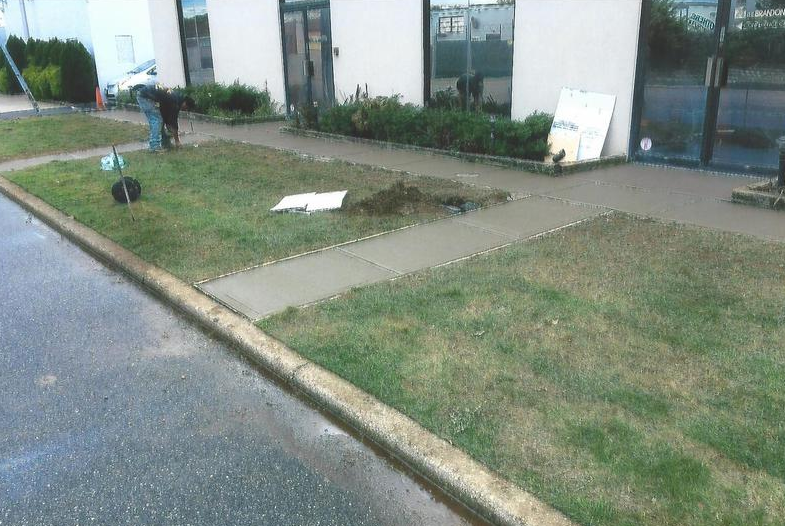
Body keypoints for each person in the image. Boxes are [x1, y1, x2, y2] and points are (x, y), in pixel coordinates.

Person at [136, 85, 195, 152]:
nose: (185, 110)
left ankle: (165, 143)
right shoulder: (174, 101)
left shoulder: (177, 98)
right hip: (145, 97)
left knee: (160, 121)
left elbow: (167, 116)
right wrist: (177, 141)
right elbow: (173, 122)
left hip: (145, 94)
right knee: (156, 120)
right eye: (187, 108)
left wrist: (168, 124)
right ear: (185, 103)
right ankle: (154, 147)